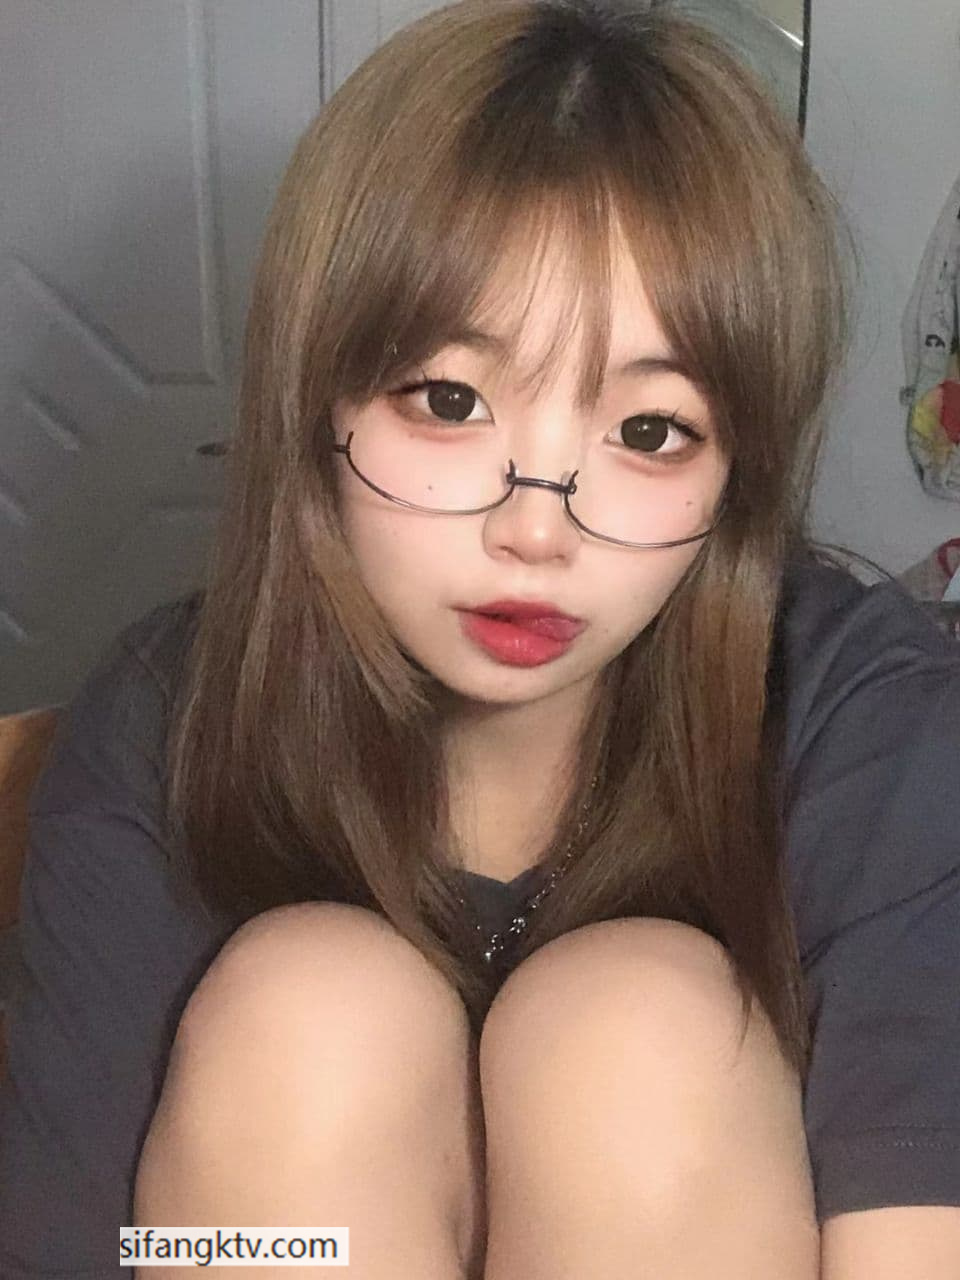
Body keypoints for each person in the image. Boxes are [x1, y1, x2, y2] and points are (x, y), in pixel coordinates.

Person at [2, 1, 959, 1276]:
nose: (535, 530)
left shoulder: (863, 717)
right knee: (311, 1012)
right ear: (318, 396)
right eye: (450, 400)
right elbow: (94, 1244)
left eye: (651, 431)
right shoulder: (168, 725)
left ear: (741, 467)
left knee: (636, 1032)